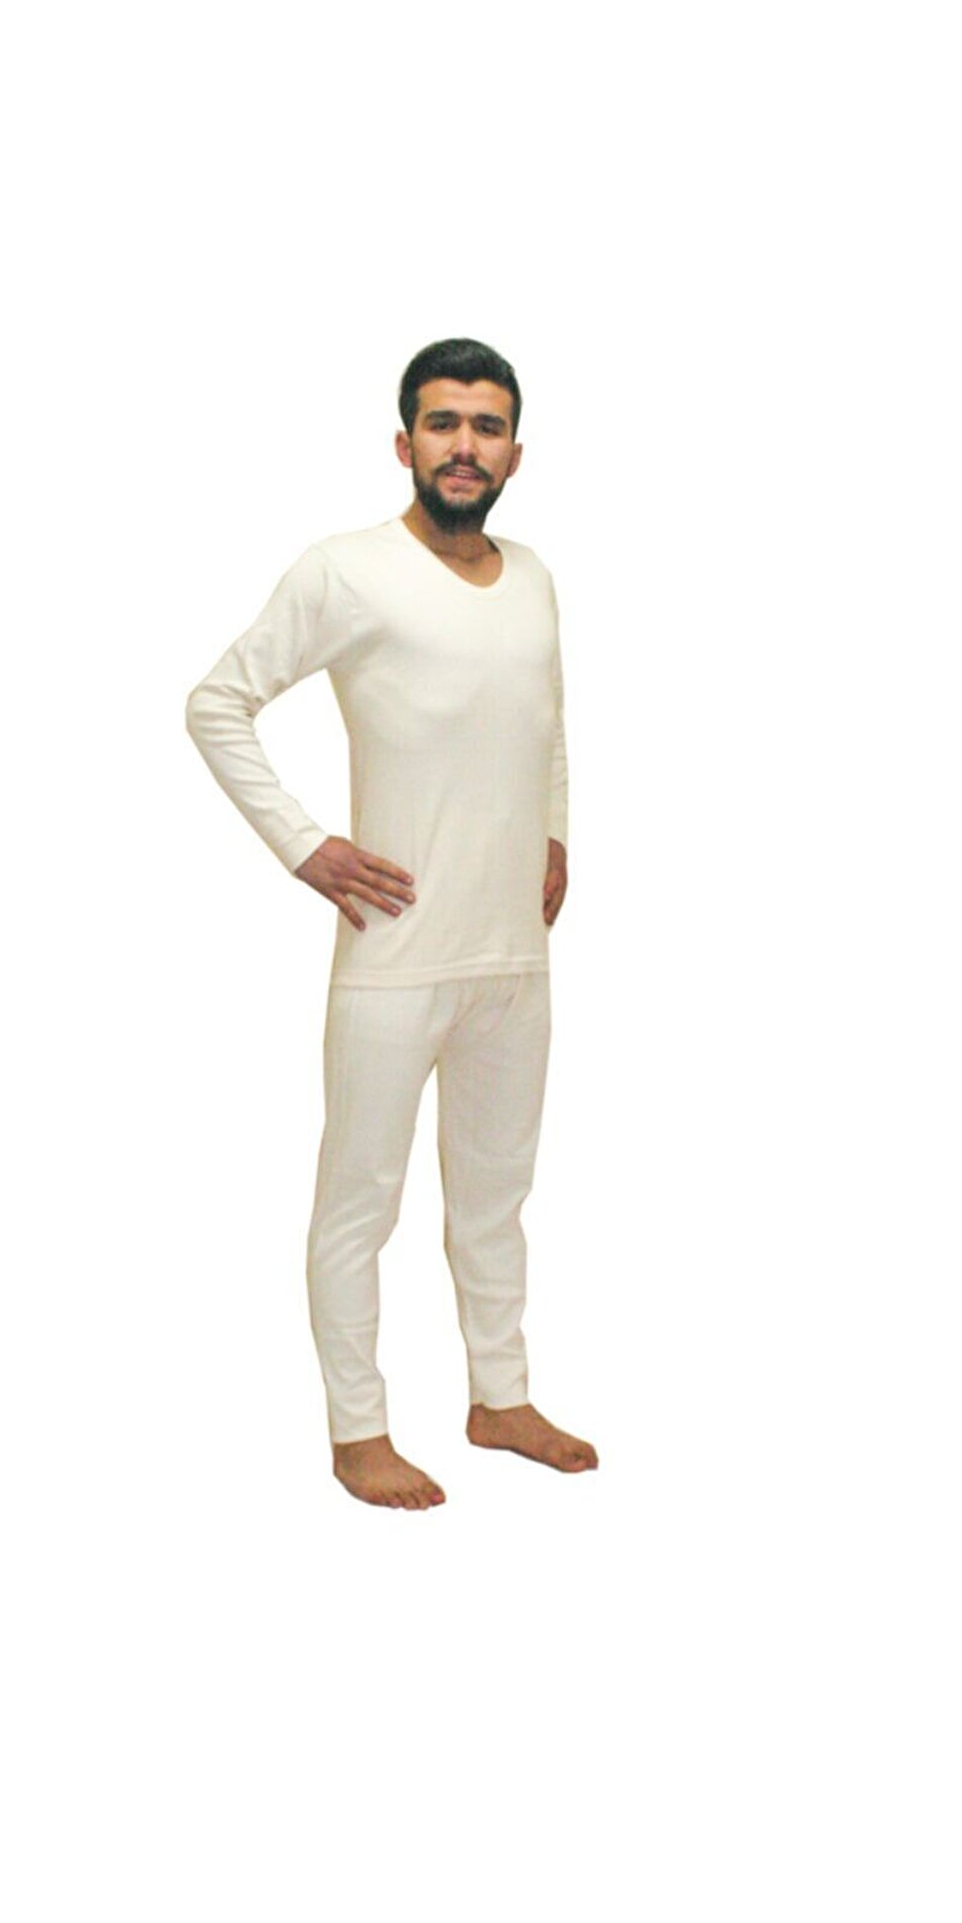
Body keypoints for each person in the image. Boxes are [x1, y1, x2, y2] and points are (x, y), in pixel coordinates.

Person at [185, 338, 598, 1509]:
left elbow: (546, 721)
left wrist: (555, 833)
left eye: (486, 426)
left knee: (498, 1196)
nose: (465, 446)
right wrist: (304, 845)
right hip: (396, 953)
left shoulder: (535, 577)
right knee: (359, 1200)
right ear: (405, 442)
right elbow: (217, 703)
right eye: (443, 423)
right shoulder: (347, 571)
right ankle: (358, 1428)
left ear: (515, 451)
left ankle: (500, 1397)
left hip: (513, 957)